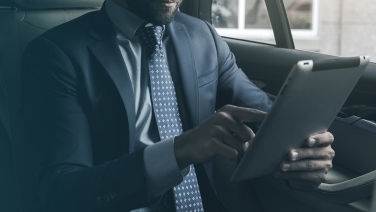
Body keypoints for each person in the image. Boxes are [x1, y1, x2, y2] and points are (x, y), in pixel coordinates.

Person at [20, 0, 335, 211]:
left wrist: (301, 154)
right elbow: (59, 191)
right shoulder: (55, 54)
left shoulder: (202, 36)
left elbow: (268, 120)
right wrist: (179, 150)